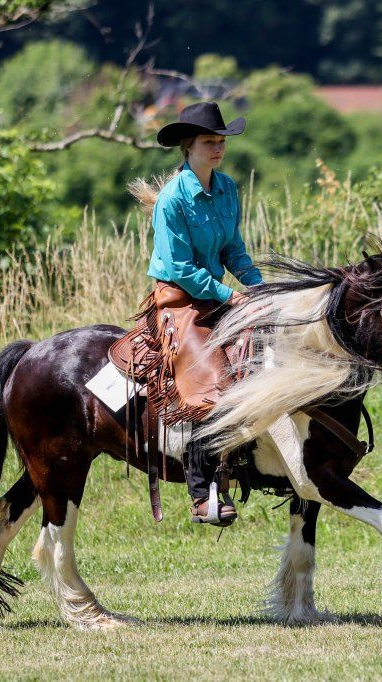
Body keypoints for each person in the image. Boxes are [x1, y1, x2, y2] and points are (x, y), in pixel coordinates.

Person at [148, 101, 263, 526]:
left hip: (219, 294)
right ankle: (203, 494)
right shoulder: (171, 199)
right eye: (209, 142)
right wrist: (229, 296)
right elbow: (178, 266)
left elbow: (233, 249)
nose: (218, 149)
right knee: (209, 384)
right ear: (189, 147)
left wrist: (259, 289)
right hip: (179, 298)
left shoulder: (228, 187)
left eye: (221, 142)